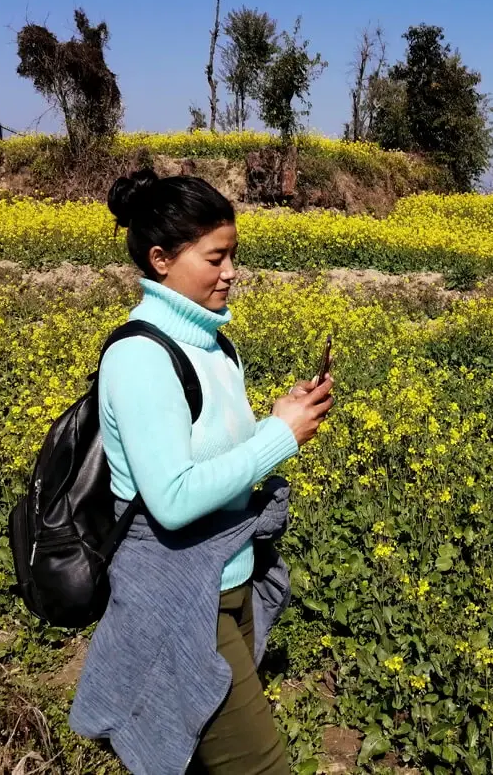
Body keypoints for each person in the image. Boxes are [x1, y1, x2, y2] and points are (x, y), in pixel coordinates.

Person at [69, 168, 333, 775]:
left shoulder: (214, 344)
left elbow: (216, 450)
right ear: (161, 259)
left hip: (228, 581)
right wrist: (279, 437)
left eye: (233, 255)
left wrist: (281, 415)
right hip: (179, 599)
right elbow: (174, 499)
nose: (231, 272)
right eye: (216, 257)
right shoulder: (141, 356)